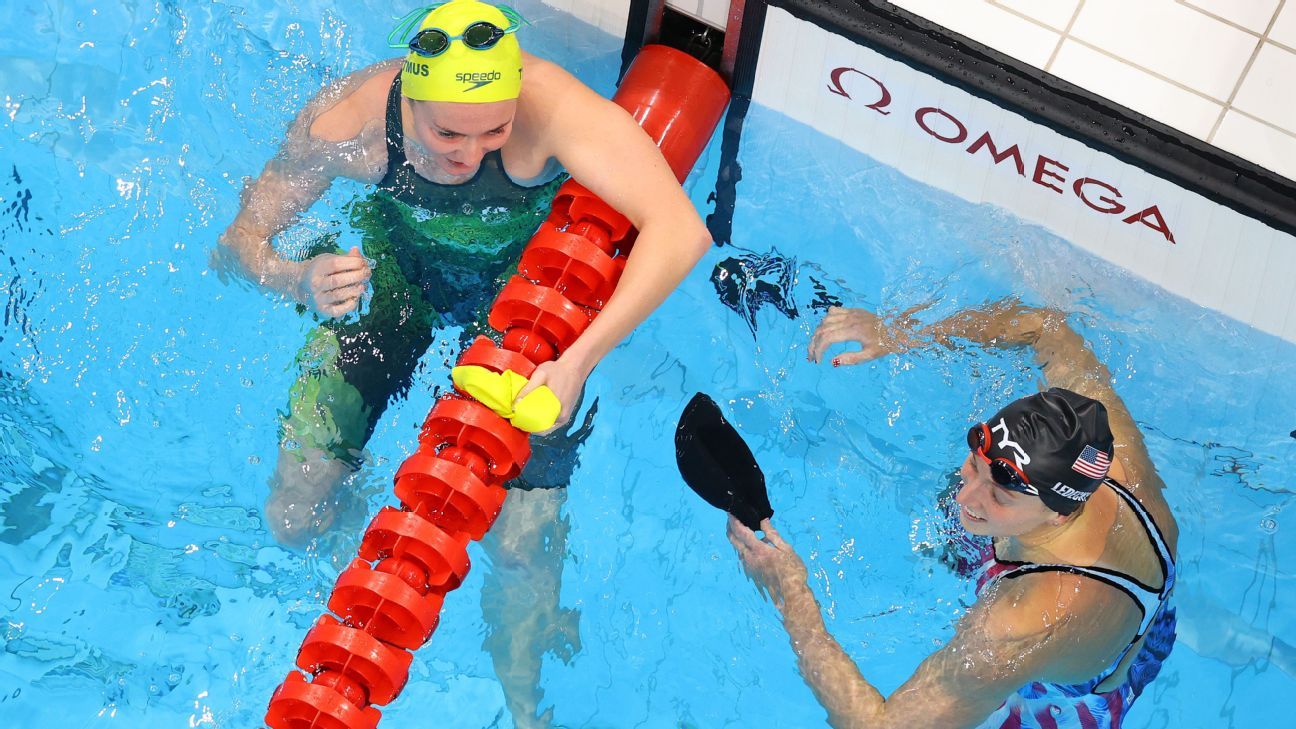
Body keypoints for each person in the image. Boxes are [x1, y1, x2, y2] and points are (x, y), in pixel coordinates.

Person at [214, 2, 711, 725]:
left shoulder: (550, 108)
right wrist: (299, 278)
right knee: (294, 513)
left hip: (527, 303)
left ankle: (525, 700)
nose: (469, 154)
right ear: (407, 97)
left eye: (493, 131)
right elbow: (237, 245)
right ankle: (377, 528)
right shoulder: (345, 124)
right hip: (398, 275)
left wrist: (577, 360)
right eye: (446, 131)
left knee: (519, 549)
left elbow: (680, 230)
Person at [726, 301, 1178, 728]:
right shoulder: (1103, 445)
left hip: (1063, 699)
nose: (968, 496)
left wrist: (792, 596)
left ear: (1059, 515)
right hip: (1126, 607)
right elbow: (1044, 326)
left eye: (999, 496)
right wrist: (899, 333)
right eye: (975, 464)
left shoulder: (1012, 627)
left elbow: (875, 724)